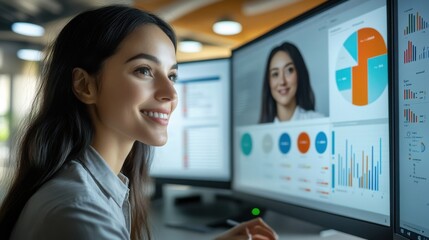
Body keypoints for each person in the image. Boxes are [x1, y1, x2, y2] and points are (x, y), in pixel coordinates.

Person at [0, 5, 278, 240]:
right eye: (144, 70)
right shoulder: (80, 211)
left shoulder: (88, 186)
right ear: (85, 86)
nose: (170, 94)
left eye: (171, 76)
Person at [259, 42, 323, 123]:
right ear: (268, 81)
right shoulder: (260, 131)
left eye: (289, 70)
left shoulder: (318, 122)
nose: (282, 81)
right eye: (275, 74)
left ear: (299, 73)